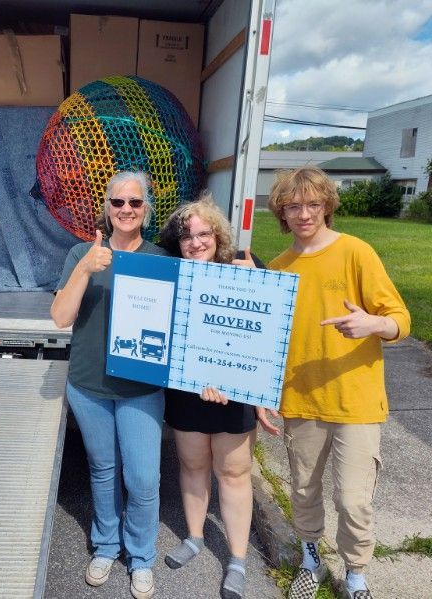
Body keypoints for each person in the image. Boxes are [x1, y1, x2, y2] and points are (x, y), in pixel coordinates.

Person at [256, 166, 411, 599]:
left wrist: (374, 324)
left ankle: (356, 573)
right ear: (282, 213)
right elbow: (268, 343)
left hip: (355, 400)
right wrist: (262, 395)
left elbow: (401, 321)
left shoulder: (357, 252)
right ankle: (311, 561)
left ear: (327, 206)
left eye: (313, 204)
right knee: (304, 489)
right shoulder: (278, 268)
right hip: (301, 399)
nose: (304, 213)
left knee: (353, 499)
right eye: (293, 206)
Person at [51, 171, 169, 599]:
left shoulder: (160, 258)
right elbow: (61, 317)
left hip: (140, 389)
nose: (126, 210)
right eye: (118, 202)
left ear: (145, 209)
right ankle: (106, 545)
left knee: (142, 478)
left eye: (134, 203)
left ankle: (141, 556)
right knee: (103, 471)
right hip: (88, 384)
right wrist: (85, 268)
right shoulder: (82, 253)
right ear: (107, 207)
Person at [157, 192, 262, 599]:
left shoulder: (245, 270)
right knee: (191, 463)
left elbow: (261, 340)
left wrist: (238, 386)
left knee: (234, 473)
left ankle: (237, 558)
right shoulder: (172, 277)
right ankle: (196, 537)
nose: (195, 242)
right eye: (186, 236)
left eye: (203, 234)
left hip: (232, 396)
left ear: (218, 236)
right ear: (177, 242)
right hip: (186, 392)